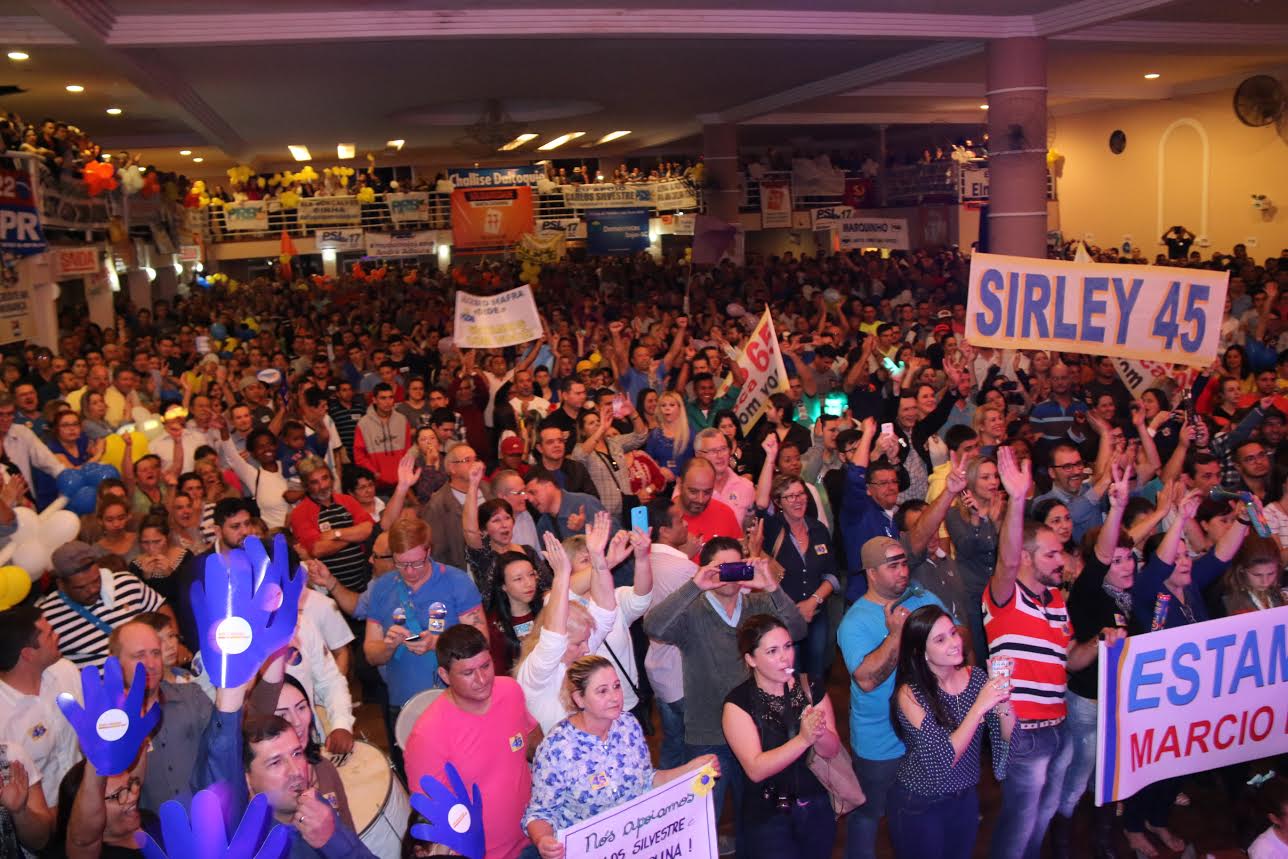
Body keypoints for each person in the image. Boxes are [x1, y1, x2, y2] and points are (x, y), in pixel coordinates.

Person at [985, 446, 1117, 859]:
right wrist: (1018, 500)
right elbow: (1006, 562)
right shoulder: (1005, 595)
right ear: (1026, 557)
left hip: (1057, 723)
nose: (1061, 559)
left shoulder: (1058, 600)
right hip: (1022, 727)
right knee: (1020, 818)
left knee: (1041, 816)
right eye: (1051, 553)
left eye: (1060, 552)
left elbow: (1070, 659)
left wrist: (1098, 643)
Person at [643, 536, 806, 857]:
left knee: (754, 818)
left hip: (757, 733)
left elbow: (797, 630)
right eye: (722, 568)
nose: (730, 576)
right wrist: (694, 586)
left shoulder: (758, 605)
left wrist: (772, 587)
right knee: (704, 819)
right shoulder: (693, 612)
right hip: (706, 733)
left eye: (736, 566)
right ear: (706, 569)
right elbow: (654, 627)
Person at [523, 655, 717, 859]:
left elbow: (646, 780)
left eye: (616, 686)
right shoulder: (557, 748)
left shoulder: (628, 725)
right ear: (579, 699)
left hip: (634, 846)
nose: (615, 697)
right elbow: (540, 814)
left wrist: (691, 769)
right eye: (602, 691)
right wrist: (543, 840)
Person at [836, 535, 944, 859]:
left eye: (904, 563)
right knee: (869, 815)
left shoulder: (921, 597)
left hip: (924, 731)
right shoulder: (853, 622)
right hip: (880, 739)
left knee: (920, 809)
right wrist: (897, 633)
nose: (902, 571)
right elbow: (867, 680)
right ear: (871, 572)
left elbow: (956, 634)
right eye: (892, 565)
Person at [887, 605, 1014, 859]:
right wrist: (979, 708)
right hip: (921, 801)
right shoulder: (910, 694)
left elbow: (1009, 737)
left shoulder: (976, 678)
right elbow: (944, 758)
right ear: (920, 652)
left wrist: (1002, 698)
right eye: (940, 639)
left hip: (965, 799)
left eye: (953, 633)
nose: (955, 643)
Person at [404, 624, 541, 859]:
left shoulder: (510, 691)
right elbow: (433, 819)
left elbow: (534, 743)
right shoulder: (426, 736)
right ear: (444, 675)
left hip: (535, 836)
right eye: (468, 673)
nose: (481, 679)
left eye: (486, 666)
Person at [363, 517, 486, 761]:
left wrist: (437, 642)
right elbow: (371, 653)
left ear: (429, 551)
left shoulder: (456, 581)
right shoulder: (382, 588)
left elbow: (481, 640)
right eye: (401, 564)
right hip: (403, 703)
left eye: (417, 563)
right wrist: (388, 646)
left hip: (455, 699)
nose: (409, 571)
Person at [722, 614, 842, 859]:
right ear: (751, 659)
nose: (785, 657)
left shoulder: (810, 687)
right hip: (768, 814)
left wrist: (819, 733)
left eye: (787, 647)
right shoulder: (738, 704)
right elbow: (756, 769)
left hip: (816, 804)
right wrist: (803, 739)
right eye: (772, 651)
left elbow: (831, 751)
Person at [753, 434, 838, 693]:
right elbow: (760, 503)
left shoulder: (819, 530)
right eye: (790, 497)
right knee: (787, 672)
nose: (798, 500)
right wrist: (769, 459)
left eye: (801, 494)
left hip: (817, 614)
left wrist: (814, 601)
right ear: (779, 503)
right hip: (781, 617)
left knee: (815, 672)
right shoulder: (772, 529)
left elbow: (832, 575)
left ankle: (817, 717)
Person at [515, 530, 618, 734]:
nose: (587, 648)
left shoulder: (578, 652)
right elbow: (553, 638)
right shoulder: (538, 671)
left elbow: (606, 611)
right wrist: (561, 574)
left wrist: (598, 559)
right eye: (578, 643)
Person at [247, 651, 354, 831]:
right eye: (282, 715)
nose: (297, 721)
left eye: (301, 707)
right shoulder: (258, 785)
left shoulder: (324, 768)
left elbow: (350, 836)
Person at [0, 605, 83, 809]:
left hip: (90, 801)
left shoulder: (66, 672)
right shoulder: (3, 714)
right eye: (49, 634)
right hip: (43, 825)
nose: (58, 635)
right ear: (28, 654)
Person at [36, 541, 169, 668]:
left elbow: (161, 608)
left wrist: (172, 641)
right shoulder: (47, 617)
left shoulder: (126, 583)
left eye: (96, 580)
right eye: (82, 587)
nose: (93, 589)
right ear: (61, 585)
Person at [355, 381, 412, 494]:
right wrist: (374, 473)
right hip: (376, 484)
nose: (388, 402)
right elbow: (359, 456)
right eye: (383, 398)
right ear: (374, 400)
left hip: (402, 481)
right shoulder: (363, 424)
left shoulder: (402, 420)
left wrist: (406, 472)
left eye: (390, 397)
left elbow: (408, 449)